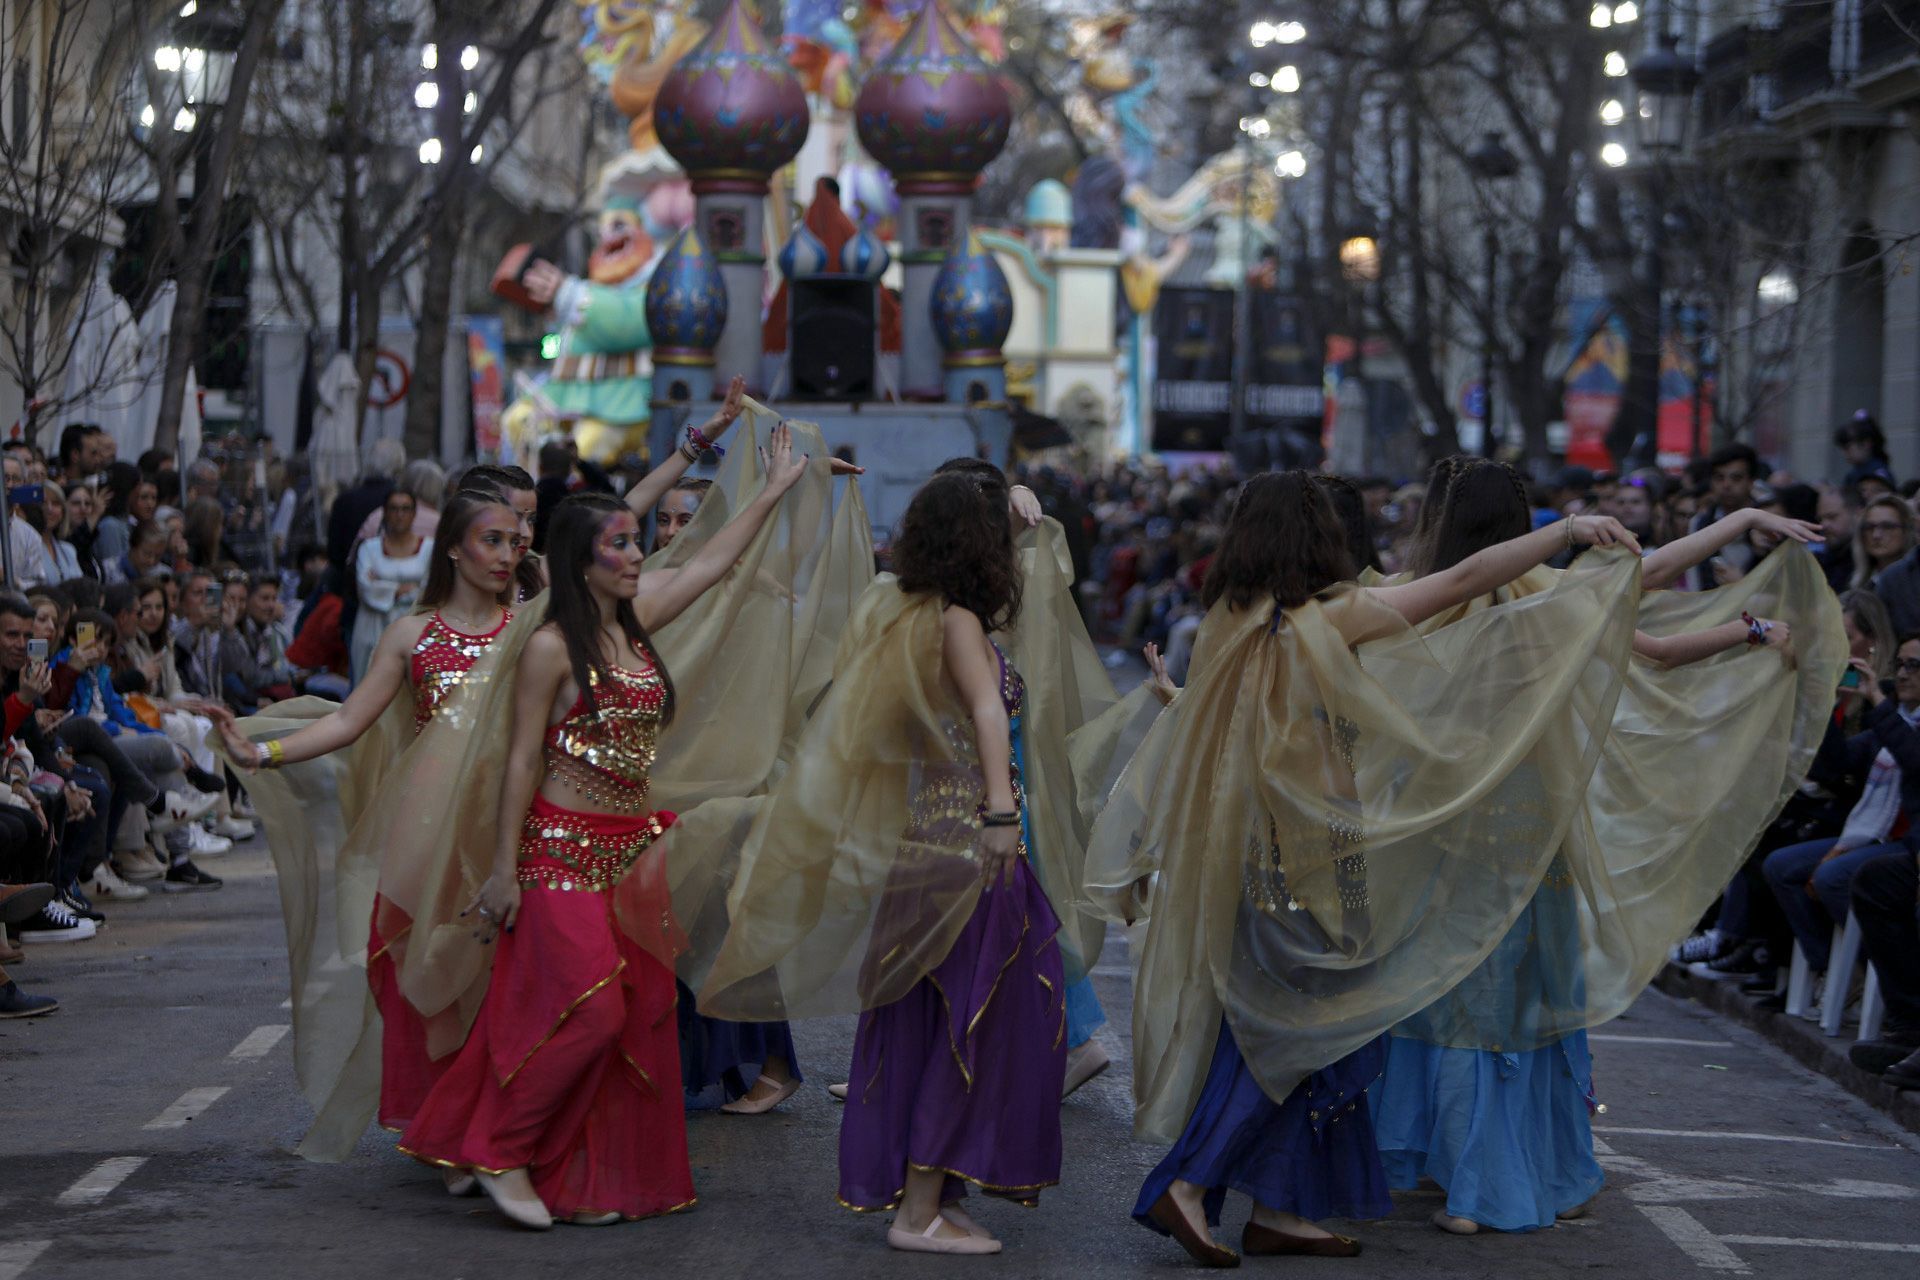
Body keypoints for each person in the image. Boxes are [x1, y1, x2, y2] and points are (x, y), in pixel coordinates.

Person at [1082, 474, 1713, 1266]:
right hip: (1315, 865)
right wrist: (1566, 531)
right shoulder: (1324, 620)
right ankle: (1193, 1180)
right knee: (1304, 1035)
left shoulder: (1226, 623)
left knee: (1310, 1035)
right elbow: (1462, 579)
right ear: (1316, 540)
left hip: (1246, 859)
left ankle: (1284, 1208)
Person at [1367, 457, 1828, 1237]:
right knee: (1525, 1002)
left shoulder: (1409, 595)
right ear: (1522, 525)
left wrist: (1741, 538)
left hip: (1443, 825)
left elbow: (1639, 592)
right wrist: (1748, 603)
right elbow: (1653, 631)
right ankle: (1543, 1170)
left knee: (1447, 989)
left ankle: (1470, 1175)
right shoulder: (1538, 594)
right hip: (1528, 827)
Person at [393, 433, 811, 1229]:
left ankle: (584, 1179)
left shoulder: (640, 618)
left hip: (630, 855)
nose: (635, 553)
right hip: (557, 852)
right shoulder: (551, 647)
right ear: (581, 561)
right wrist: (504, 870)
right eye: (618, 543)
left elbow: (709, 563)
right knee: (592, 1014)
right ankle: (500, 1148)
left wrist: (775, 487)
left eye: (633, 540)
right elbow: (519, 764)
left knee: (631, 1028)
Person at [696, 471, 1073, 1256]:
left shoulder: (905, 610)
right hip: (969, 847)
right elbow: (981, 711)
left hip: (926, 848)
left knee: (933, 1020)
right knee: (972, 1025)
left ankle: (929, 1190)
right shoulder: (959, 621)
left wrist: (1016, 505)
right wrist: (1001, 812)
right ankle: (918, 1210)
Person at [224, 489, 526, 1147]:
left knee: (507, 977)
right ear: (450, 547)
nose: (507, 555)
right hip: (428, 834)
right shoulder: (410, 635)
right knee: (429, 974)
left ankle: (497, 1124)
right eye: (492, 540)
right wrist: (263, 752)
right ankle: (453, 1120)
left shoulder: (533, 629)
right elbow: (346, 719)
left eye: (514, 541)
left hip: (511, 829)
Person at [1762, 636, 1920, 1001]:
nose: (1902, 674)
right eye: (1899, 664)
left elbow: (1913, 759)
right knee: (1780, 866)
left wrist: (1879, 704)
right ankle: (1836, 969)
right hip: (1869, 838)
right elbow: (1835, 765)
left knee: (1833, 877)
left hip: (1904, 845)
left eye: (1914, 666)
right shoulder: (1893, 720)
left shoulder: (1892, 719)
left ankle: (1886, 972)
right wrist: (1825, 705)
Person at [350, 490, 433, 680]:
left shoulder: (430, 548)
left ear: (414, 513)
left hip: (416, 627)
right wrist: (400, 589)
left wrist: (381, 583)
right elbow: (365, 587)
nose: (400, 515)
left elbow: (431, 587)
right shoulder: (369, 548)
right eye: (394, 509)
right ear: (385, 512)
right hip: (373, 628)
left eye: (405, 509)